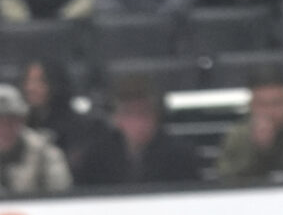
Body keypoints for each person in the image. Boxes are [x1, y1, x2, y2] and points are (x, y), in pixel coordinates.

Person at [65, 74, 202, 186]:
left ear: (157, 116)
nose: (138, 121)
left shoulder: (180, 156)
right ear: (117, 118)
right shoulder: (96, 157)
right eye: (129, 113)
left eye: (144, 112)